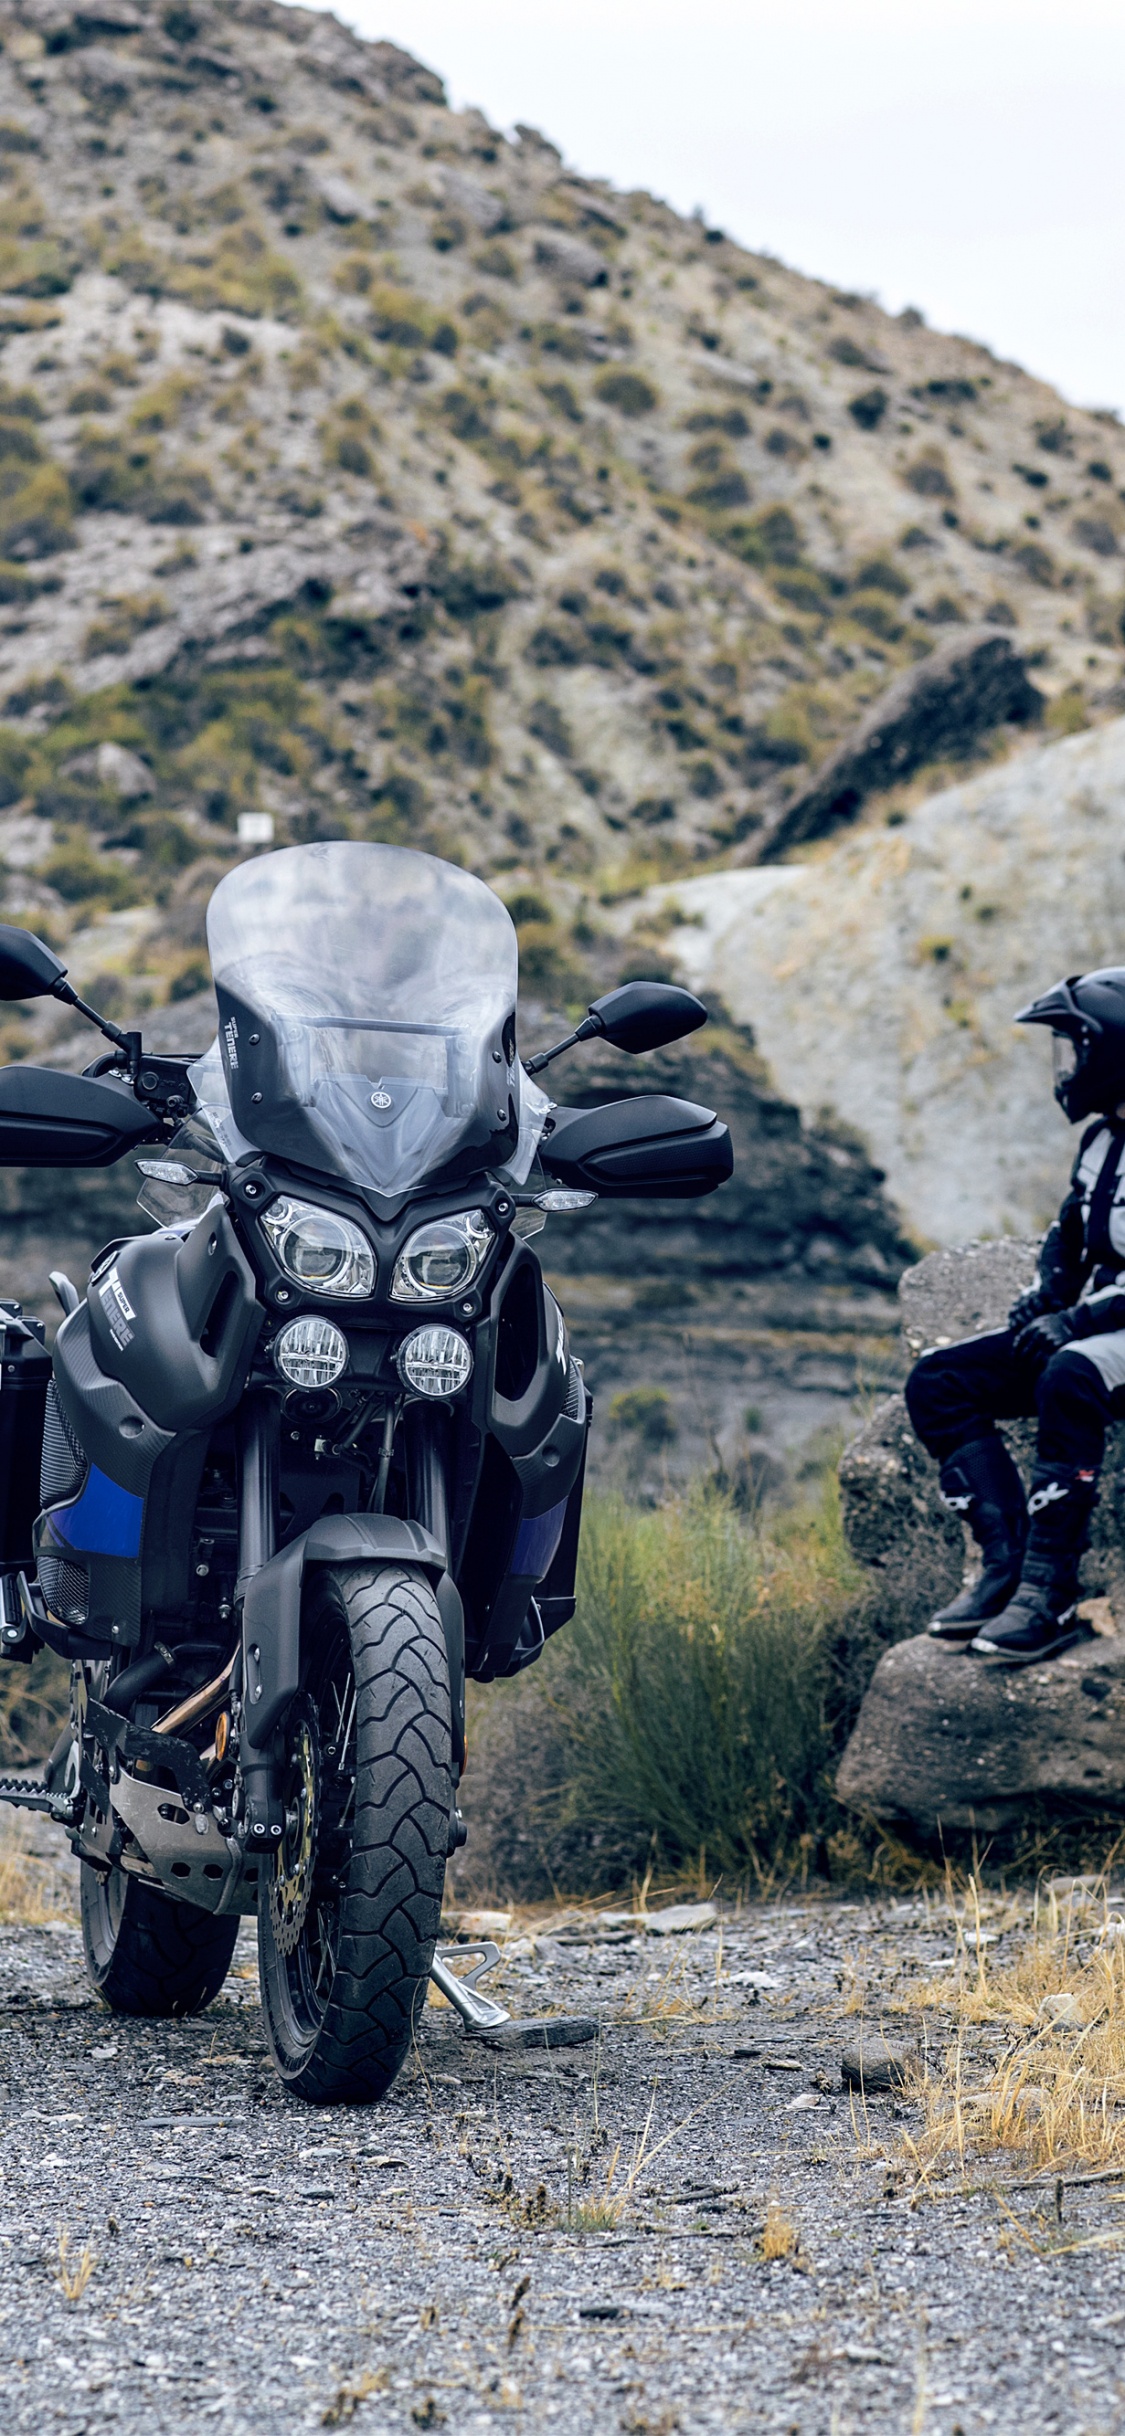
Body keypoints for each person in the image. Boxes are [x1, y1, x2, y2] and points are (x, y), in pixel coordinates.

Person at [905, 967, 1125, 1665]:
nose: (1066, 1065)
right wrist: (1045, 1293)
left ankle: (1049, 1591)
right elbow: (1069, 1233)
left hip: (1099, 1339)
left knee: (1068, 1374)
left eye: (1076, 1047)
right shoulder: (1101, 1141)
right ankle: (1004, 1568)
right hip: (1098, 1324)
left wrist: (1073, 1324)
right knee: (939, 1381)